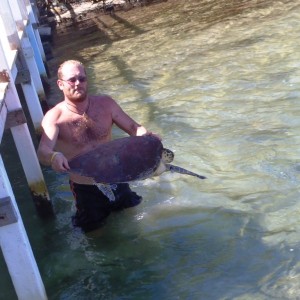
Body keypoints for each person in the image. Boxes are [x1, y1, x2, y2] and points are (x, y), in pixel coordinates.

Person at [37, 59, 158, 232]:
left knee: (136, 224)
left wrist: (148, 138)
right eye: (72, 80)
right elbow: (43, 151)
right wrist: (54, 156)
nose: (78, 83)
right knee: (96, 238)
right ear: (60, 84)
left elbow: (134, 128)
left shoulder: (106, 104)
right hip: (86, 190)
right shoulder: (55, 117)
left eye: (82, 78)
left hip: (117, 177)